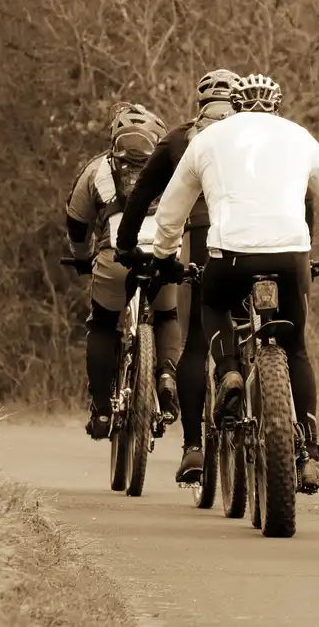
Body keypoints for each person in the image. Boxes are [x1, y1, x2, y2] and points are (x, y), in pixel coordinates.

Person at [145, 73, 319, 493]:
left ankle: (230, 370)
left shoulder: (207, 140)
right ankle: (309, 455)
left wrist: (162, 256)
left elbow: (172, 209)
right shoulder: (299, 136)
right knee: (297, 347)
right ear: (277, 105)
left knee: (211, 308)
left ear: (235, 104)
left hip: (229, 254)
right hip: (290, 254)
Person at [113, 68, 241, 484]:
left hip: (204, 238)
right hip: (266, 241)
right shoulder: (262, 135)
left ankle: (193, 448)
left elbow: (143, 195)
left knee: (198, 340)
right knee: (275, 334)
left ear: (200, 104)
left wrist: (127, 244)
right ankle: (297, 442)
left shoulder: (181, 139)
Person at [64, 102, 182, 439]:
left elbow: (76, 219)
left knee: (102, 324)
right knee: (167, 315)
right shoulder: (174, 166)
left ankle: (102, 409)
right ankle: (166, 376)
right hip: (163, 255)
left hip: (114, 257)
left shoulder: (97, 169)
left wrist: (81, 256)